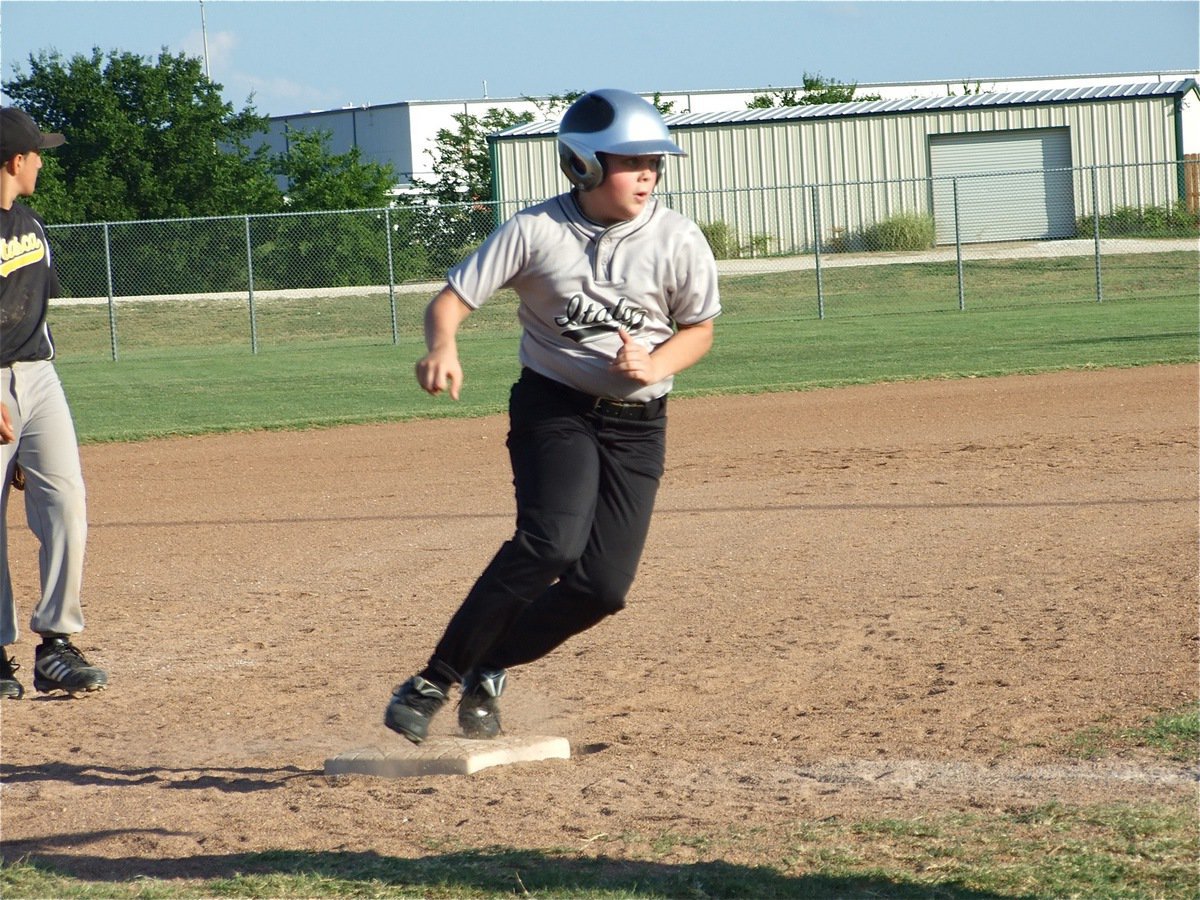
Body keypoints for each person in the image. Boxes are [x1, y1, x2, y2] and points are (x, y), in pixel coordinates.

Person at [384, 89, 720, 743]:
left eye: (654, 161)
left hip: (636, 424)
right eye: (631, 161)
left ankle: (489, 664)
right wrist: (442, 345)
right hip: (554, 407)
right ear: (584, 166)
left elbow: (699, 329)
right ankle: (432, 680)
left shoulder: (677, 239)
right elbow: (450, 302)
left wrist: (654, 364)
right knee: (551, 544)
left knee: (602, 587)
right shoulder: (536, 232)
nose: (648, 174)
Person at [0, 107, 107, 700]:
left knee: (65, 501)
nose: (42, 159)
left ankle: (56, 646)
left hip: (39, 377)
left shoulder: (33, 226)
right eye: (37, 151)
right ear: (15, 161)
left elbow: (35, 311)